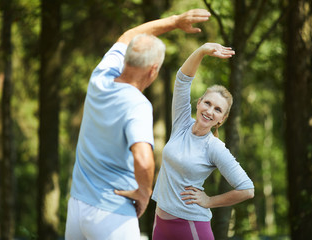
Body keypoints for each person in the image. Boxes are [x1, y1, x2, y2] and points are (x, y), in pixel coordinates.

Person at [64, 9, 212, 240]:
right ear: (153, 71)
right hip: (112, 213)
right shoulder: (138, 105)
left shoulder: (100, 76)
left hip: (77, 206)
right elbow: (143, 159)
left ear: (126, 59)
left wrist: (174, 21)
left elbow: (127, 36)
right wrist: (144, 194)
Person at [151, 43, 255, 239]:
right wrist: (202, 50)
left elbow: (247, 189)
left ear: (222, 119)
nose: (209, 111)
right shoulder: (181, 123)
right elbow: (182, 80)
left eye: (218, 109)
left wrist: (209, 201)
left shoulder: (214, 147)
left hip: (191, 226)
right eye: (207, 103)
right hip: (161, 222)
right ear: (198, 103)